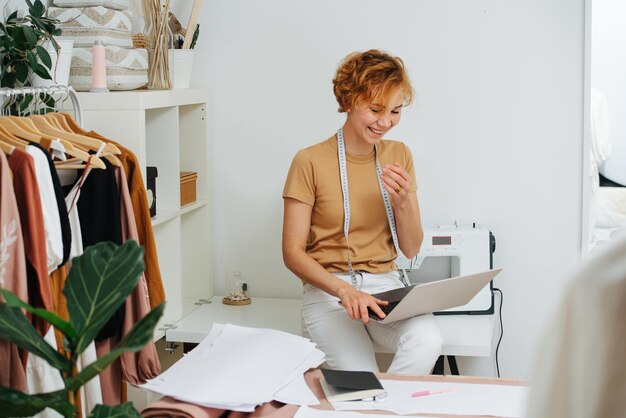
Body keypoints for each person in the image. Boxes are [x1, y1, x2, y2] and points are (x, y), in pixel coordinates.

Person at [282, 49, 443, 374]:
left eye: (396, 110)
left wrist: (403, 202)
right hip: (330, 291)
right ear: (349, 100)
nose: (386, 122)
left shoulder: (399, 154)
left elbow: (411, 248)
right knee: (361, 383)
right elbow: (292, 253)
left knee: (428, 340)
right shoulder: (309, 161)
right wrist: (345, 291)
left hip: (385, 287)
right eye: (375, 109)